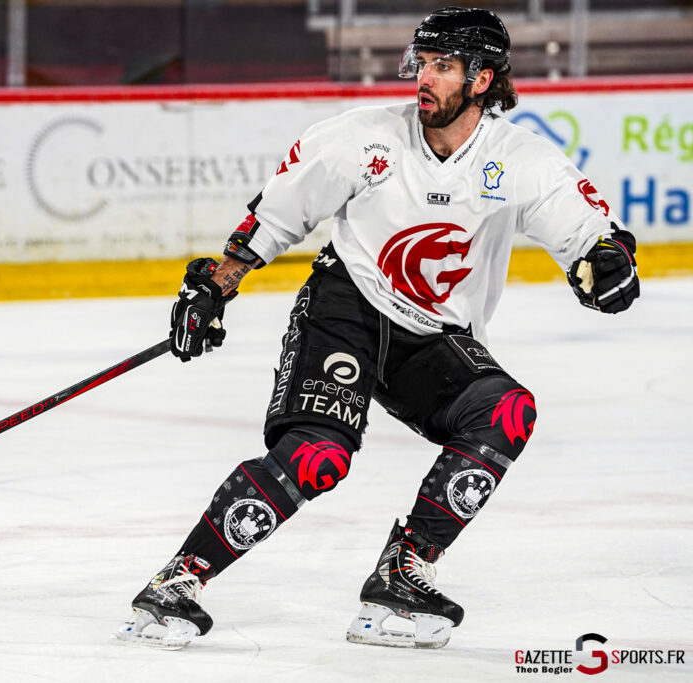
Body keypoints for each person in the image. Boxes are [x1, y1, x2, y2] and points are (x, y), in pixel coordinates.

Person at [113, 6, 640, 650]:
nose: (424, 77)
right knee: (317, 455)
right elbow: (278, 214)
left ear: (482, 80)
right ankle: (177, 583)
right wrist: (214, 288)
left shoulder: (521, 161)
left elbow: (588, 236)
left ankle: (402, 574)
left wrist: (607, 265)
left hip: (436, 338)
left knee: (506, 414)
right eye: (420, 63)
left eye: (443, 66)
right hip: (347, 310)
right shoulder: (363, 139)